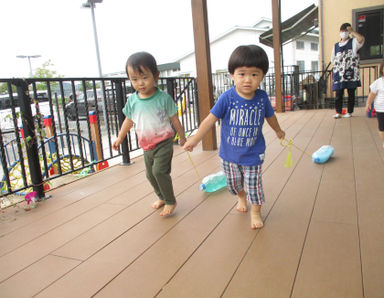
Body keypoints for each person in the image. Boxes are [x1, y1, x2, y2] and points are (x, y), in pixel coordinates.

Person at [184, 45, 285, 229]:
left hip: (254, 154)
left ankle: (255, 212)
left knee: (254, 184)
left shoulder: (262, 98)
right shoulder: (227, 98)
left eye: (254, 74)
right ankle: (241, 197)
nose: (248, 79)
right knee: (233, 184)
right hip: (229, 155)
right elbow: (209, 120)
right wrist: (195, 139)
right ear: (232, 75)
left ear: (262, 76)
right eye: (242, 74)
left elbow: (271, 117)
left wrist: (278, 131)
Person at [113, 52, 186, 216]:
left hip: (164, 142)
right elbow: (128, 120)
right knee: (150, 175)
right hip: (146, 146)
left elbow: (174, 119)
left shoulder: (163, 98)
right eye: (134, 79)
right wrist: (120, 137)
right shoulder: (133, 100)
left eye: (144, 77)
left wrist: (182, 137)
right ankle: (161, 196)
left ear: (156, 76)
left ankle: (170, 201)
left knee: (159, 171)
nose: (140, 83)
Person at [331, 23, 365, 119]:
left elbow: (361, 39)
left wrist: (352, 31)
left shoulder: (353, 42)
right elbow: (332, 59)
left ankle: (349, 112)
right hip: (339, 73)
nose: (343, 33)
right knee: (338, 94)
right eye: (342, 31)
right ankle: (338, 112)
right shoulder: (336, 45)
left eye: (346, 31)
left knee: (351, 93)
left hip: (351, 72)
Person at [366, 61, 384, 149]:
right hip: (381, 109)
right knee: (382, 127)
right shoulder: (378, 82)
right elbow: (372, 94)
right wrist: (368, 103)